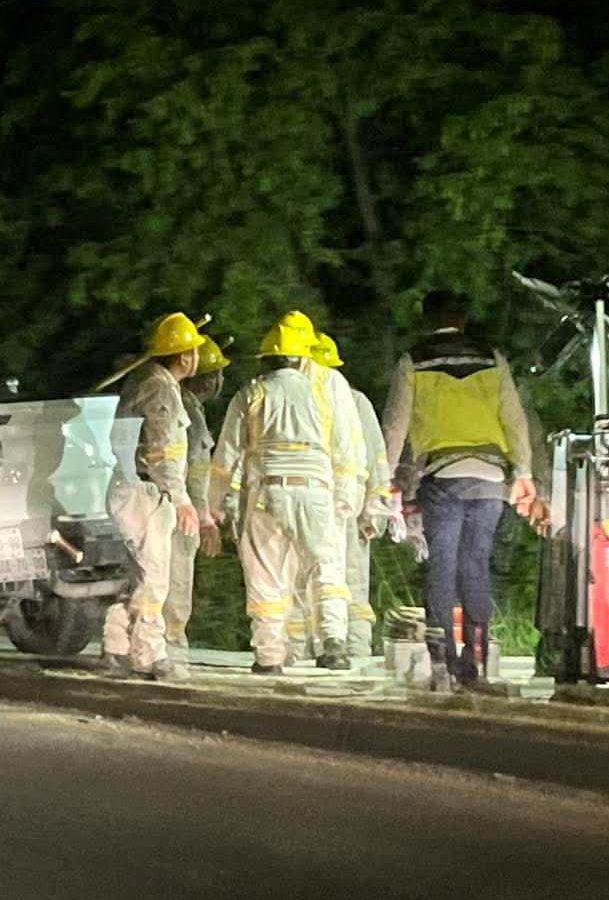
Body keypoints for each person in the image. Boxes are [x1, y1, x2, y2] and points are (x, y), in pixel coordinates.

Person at [381, 290, 534, 691]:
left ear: (426, 321)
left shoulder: (414, 360)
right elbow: (514, 419)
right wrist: (524, 471)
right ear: (463, 320)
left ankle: (442, 661)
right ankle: (475, 663)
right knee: (475, 564)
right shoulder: (492, 358)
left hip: (443, 476)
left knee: (442, 566)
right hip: (490, 478)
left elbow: (395, 425)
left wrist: (385, 476)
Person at [208, 313, 363, 675]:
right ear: (301, 358)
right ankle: (334, 642)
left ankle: (269, 656)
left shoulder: (252, 393)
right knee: (326, 565)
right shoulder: (326, 391)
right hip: (317, 493)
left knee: (266, 574)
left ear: (267, 360)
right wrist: (347, 497)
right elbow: (348, 447)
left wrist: (214, 507)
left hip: (268, 494)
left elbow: (225, 458)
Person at [99, 313, 207, 681]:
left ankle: (115, 648)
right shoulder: (161, 390)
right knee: (154, 575)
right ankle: (149, 654)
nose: (197, 357)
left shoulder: (140, 381)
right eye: (194, 350)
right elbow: (162, 450)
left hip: (125, 486)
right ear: (184, 356)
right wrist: (181, 499)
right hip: (147, 492)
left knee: (130, 573)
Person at [306, 332, 393, 669]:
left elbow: (375, 458)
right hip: (330, 504)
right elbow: (377, 459)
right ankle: (328, 647)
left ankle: (351, 647)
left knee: (346, 581)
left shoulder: (353, 401)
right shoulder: (328, 399)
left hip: (343, 508)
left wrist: (373, 512)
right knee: (331, 579)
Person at [160, 334, 231, 678]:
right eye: (217, 373)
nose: (220, 380)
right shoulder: (188, 408)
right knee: (177, 577)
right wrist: (203, 516)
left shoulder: (173, 398)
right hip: (181, 508)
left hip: (164, 502)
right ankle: (172, 647)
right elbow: (198, 468)